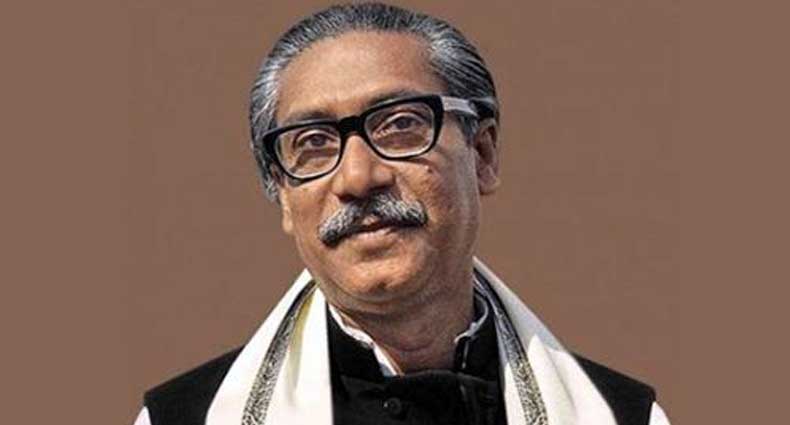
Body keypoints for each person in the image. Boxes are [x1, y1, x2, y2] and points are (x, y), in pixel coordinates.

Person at [132, 3, 670, 425]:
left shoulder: (621, 416)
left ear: (482, 155)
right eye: (313, 142)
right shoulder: (182, 418)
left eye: (399, 125)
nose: (357, 178)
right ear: (283, 196)